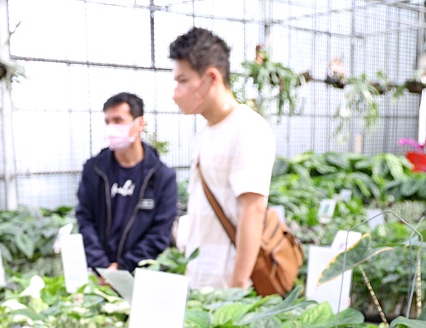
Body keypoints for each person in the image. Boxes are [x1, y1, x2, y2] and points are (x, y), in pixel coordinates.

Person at [170, 27, 277, 290]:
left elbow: (253, 209)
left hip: (227, 283)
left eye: (183, 81)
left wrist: (238, 284)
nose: (176, 92)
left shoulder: (248, 128)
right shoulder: (205, 132)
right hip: (200, 276)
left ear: (211, 78)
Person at [75, 92, 178, 275]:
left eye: (118, 120)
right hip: (99, 271)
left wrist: (123, 268)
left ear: (139, 124)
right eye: (108, 122)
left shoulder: (161, 176)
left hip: (141, 273)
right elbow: (85, 218)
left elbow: (160, 232)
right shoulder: (94, 170)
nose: (111, 128)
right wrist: (102, 266)